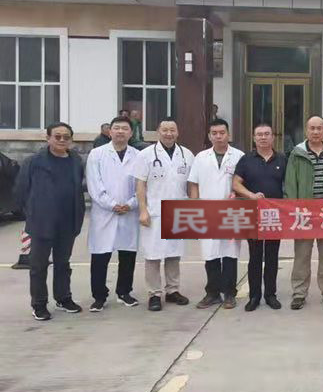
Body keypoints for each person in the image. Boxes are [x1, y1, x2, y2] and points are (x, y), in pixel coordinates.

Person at [14, 122, 86, 320]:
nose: (62, 140)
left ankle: (63, 298)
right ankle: (39, 304)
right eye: (57, 136)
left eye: (66, 137)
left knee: (63, 263)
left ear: (71, 140)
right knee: (38, 266)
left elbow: (78, 187)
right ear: (48, 138)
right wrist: (32, 213)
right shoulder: (34, 161)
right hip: (42, 223)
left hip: (68, 221)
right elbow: (21, 190)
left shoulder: (75, 160)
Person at [132, 117, 194, 311]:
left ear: (178, 132)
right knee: (153, 255)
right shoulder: (146, 155)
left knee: (174, 253)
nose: (169, 133)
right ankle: (154, 294)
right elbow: (140, 184)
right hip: (155, 211)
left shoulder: (186, 154)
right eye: (165, 130)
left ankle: (172, 290)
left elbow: (192, 183)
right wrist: (143, 210)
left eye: (172, 130)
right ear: (158, 132)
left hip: (177, 211)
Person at [285, 115, 323, 310]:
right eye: (312, 128)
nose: (316, 132)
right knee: (302, 255)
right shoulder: (297, 153)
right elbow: (290, 183)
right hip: (304, 213)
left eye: (319, 128)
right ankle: (299, 293)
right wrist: (293, 209)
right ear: (306, 130)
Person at [188, 119, 245, 310]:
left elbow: (244, 184)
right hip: (207, 212)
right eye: (214, 133)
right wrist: (194, 208)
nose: (218, 136)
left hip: (231, 213)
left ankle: (229, 293)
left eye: (222, 132)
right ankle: (212, 293)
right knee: (210, 253)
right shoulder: (201, 157)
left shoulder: (239, 156)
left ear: (229, 134)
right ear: (209, 136)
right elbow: (194, 184)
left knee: (230, 253)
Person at [85, 116, 140, 312]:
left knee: (128, 255)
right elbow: (94, 183)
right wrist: (112, 204)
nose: (120, 131)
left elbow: (142, 185)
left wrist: (131, 204)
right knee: (100, 256)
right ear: (110, 131)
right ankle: (99, 296)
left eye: (125, 128)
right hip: (104, 213)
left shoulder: (138, 155)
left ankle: (124, 292)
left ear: (131, 133)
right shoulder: (97, 154)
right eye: (116, 128)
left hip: (129, 212)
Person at [233, 123, 286, 312]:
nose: (263, 137)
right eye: (259, 134)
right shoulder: (246, 159)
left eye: (266, 134)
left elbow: (289, 185)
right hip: (252, 214)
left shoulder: (282, 159)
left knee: (272, 256)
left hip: (274, 216)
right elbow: (236, 184)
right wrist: (251, 196)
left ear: (273, 137)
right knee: (255, 256)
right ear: (254, 138)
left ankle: (271, 294)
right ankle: (254, 296)